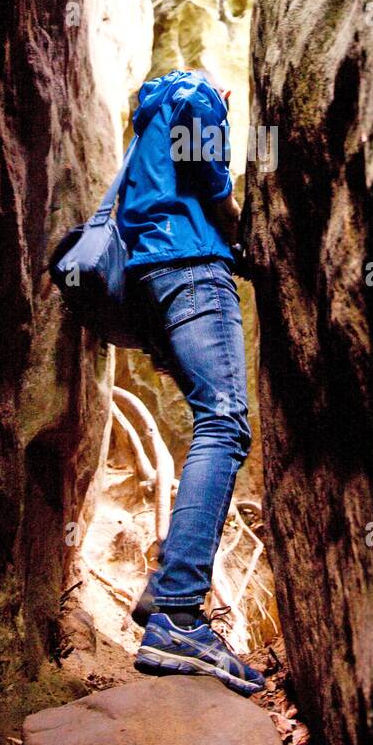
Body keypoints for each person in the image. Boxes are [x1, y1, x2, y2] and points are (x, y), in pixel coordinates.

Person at [116, 67, 265, 696]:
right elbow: (207, 171)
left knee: (215, 421)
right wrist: (237, 221)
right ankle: (178, 613)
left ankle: (164, 593)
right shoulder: (193, 92)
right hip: (192, 271)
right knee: (225, 423)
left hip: (150, 280)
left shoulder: (143, 122)